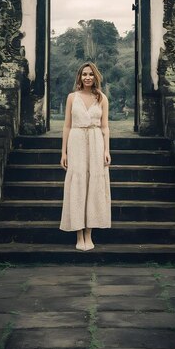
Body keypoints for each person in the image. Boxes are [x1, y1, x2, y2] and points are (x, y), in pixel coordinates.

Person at [59, 62, 111, 250]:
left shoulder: (102, 98)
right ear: (79, 77)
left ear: (95, 77)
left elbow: (105, 127)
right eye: (84, 74)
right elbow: (66, 126)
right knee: (78, 184)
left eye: (90, 74)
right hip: (77, 140)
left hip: (96, 141)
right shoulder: (72, 98)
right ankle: (78, 234)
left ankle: (89, 234)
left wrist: (106, 150)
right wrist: (63, 152)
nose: (87, 77)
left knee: (93, 186)